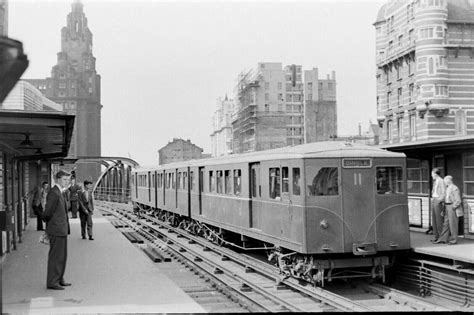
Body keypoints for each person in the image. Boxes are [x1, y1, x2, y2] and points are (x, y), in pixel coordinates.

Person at [42, 170, 72, 290]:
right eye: (64, 180)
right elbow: (47, 212)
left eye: (68, 180)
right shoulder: (54, 193)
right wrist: (48, 224)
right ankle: (52, 282)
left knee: (62, 256)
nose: (67, 182)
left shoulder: (60, 192)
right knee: (56, 256)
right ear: (58, 179)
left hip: (61, 229)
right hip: (56, 229)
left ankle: (59, 279)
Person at [435, 176, 462, 245]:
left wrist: (453, 207)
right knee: (446, 224)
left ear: (448, 181)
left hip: (452, 207)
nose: (444, 182)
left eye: (444, 181)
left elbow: (458, 200)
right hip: (446, 206)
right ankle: (443, 239)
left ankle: (453, 240)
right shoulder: (447, 188)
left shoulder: (454, 188)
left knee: (453, 225)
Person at [430, 168, 446, 242]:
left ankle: (441, 238)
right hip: (434, 199)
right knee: (434, 220)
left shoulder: (441, 181)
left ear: (435, 174)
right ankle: (436, 236)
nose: (431, 175)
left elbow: (444, 192)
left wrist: (440, 200)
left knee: (439, 220)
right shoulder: (435, 181)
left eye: (432, 173)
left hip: (438, 200)